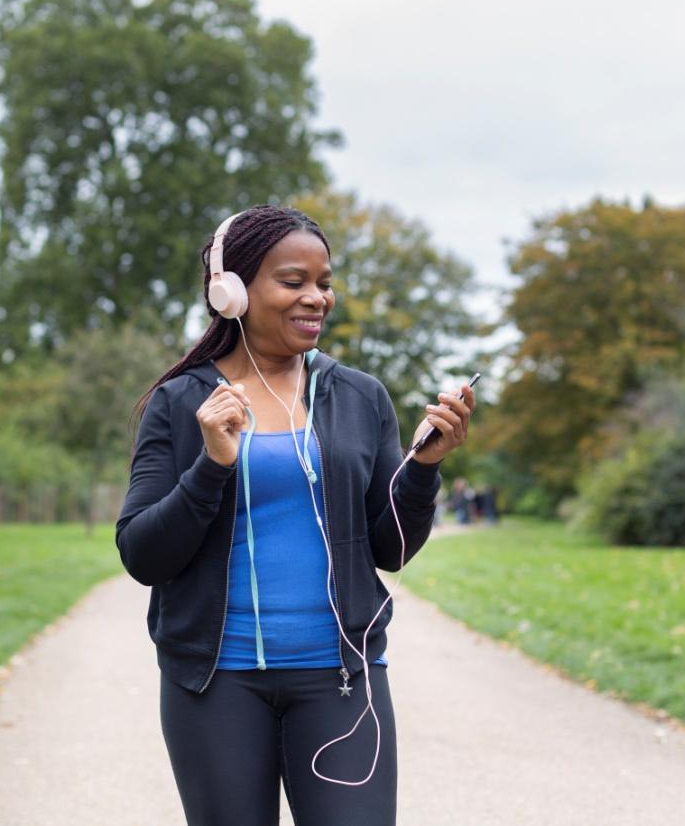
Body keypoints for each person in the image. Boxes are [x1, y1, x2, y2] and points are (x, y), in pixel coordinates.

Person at [116, 205, 476, 826]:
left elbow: (391, 547)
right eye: (293, 281)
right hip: (215, 684)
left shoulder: (360, 397)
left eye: (325, 282)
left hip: (340, 680)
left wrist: (422, 469)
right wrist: (211, 466)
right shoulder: (180, 404)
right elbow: (142, 554)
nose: (317, 298)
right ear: (231, 291)